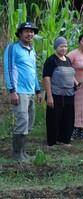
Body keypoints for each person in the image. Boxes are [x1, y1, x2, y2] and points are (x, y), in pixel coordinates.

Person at [3, 22, 42, 161]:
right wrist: (12, 90)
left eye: (32, 32)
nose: (30, 34)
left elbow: (33, 72)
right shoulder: (12, 48)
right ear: (20, 33)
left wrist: (38, 91)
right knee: (22, 121)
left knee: (29, 122)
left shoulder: (32, 50)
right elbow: (8, 69)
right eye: (26, 31)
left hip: (30, 91)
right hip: (19, 91)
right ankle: (17, 154)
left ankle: (23, 152)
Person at [43, 37, 77, 146]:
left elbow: (71, 74)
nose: (64, 48)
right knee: (54, 118)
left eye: (65, 46)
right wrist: (49, 96)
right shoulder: (51, 60)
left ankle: (64, 139)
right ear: (56, 47)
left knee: (68, 118)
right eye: (61, 46)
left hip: (69, 94)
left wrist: (76, 83)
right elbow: (46, 78)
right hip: (55, 94)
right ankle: (52, 142)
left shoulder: (67, 60)